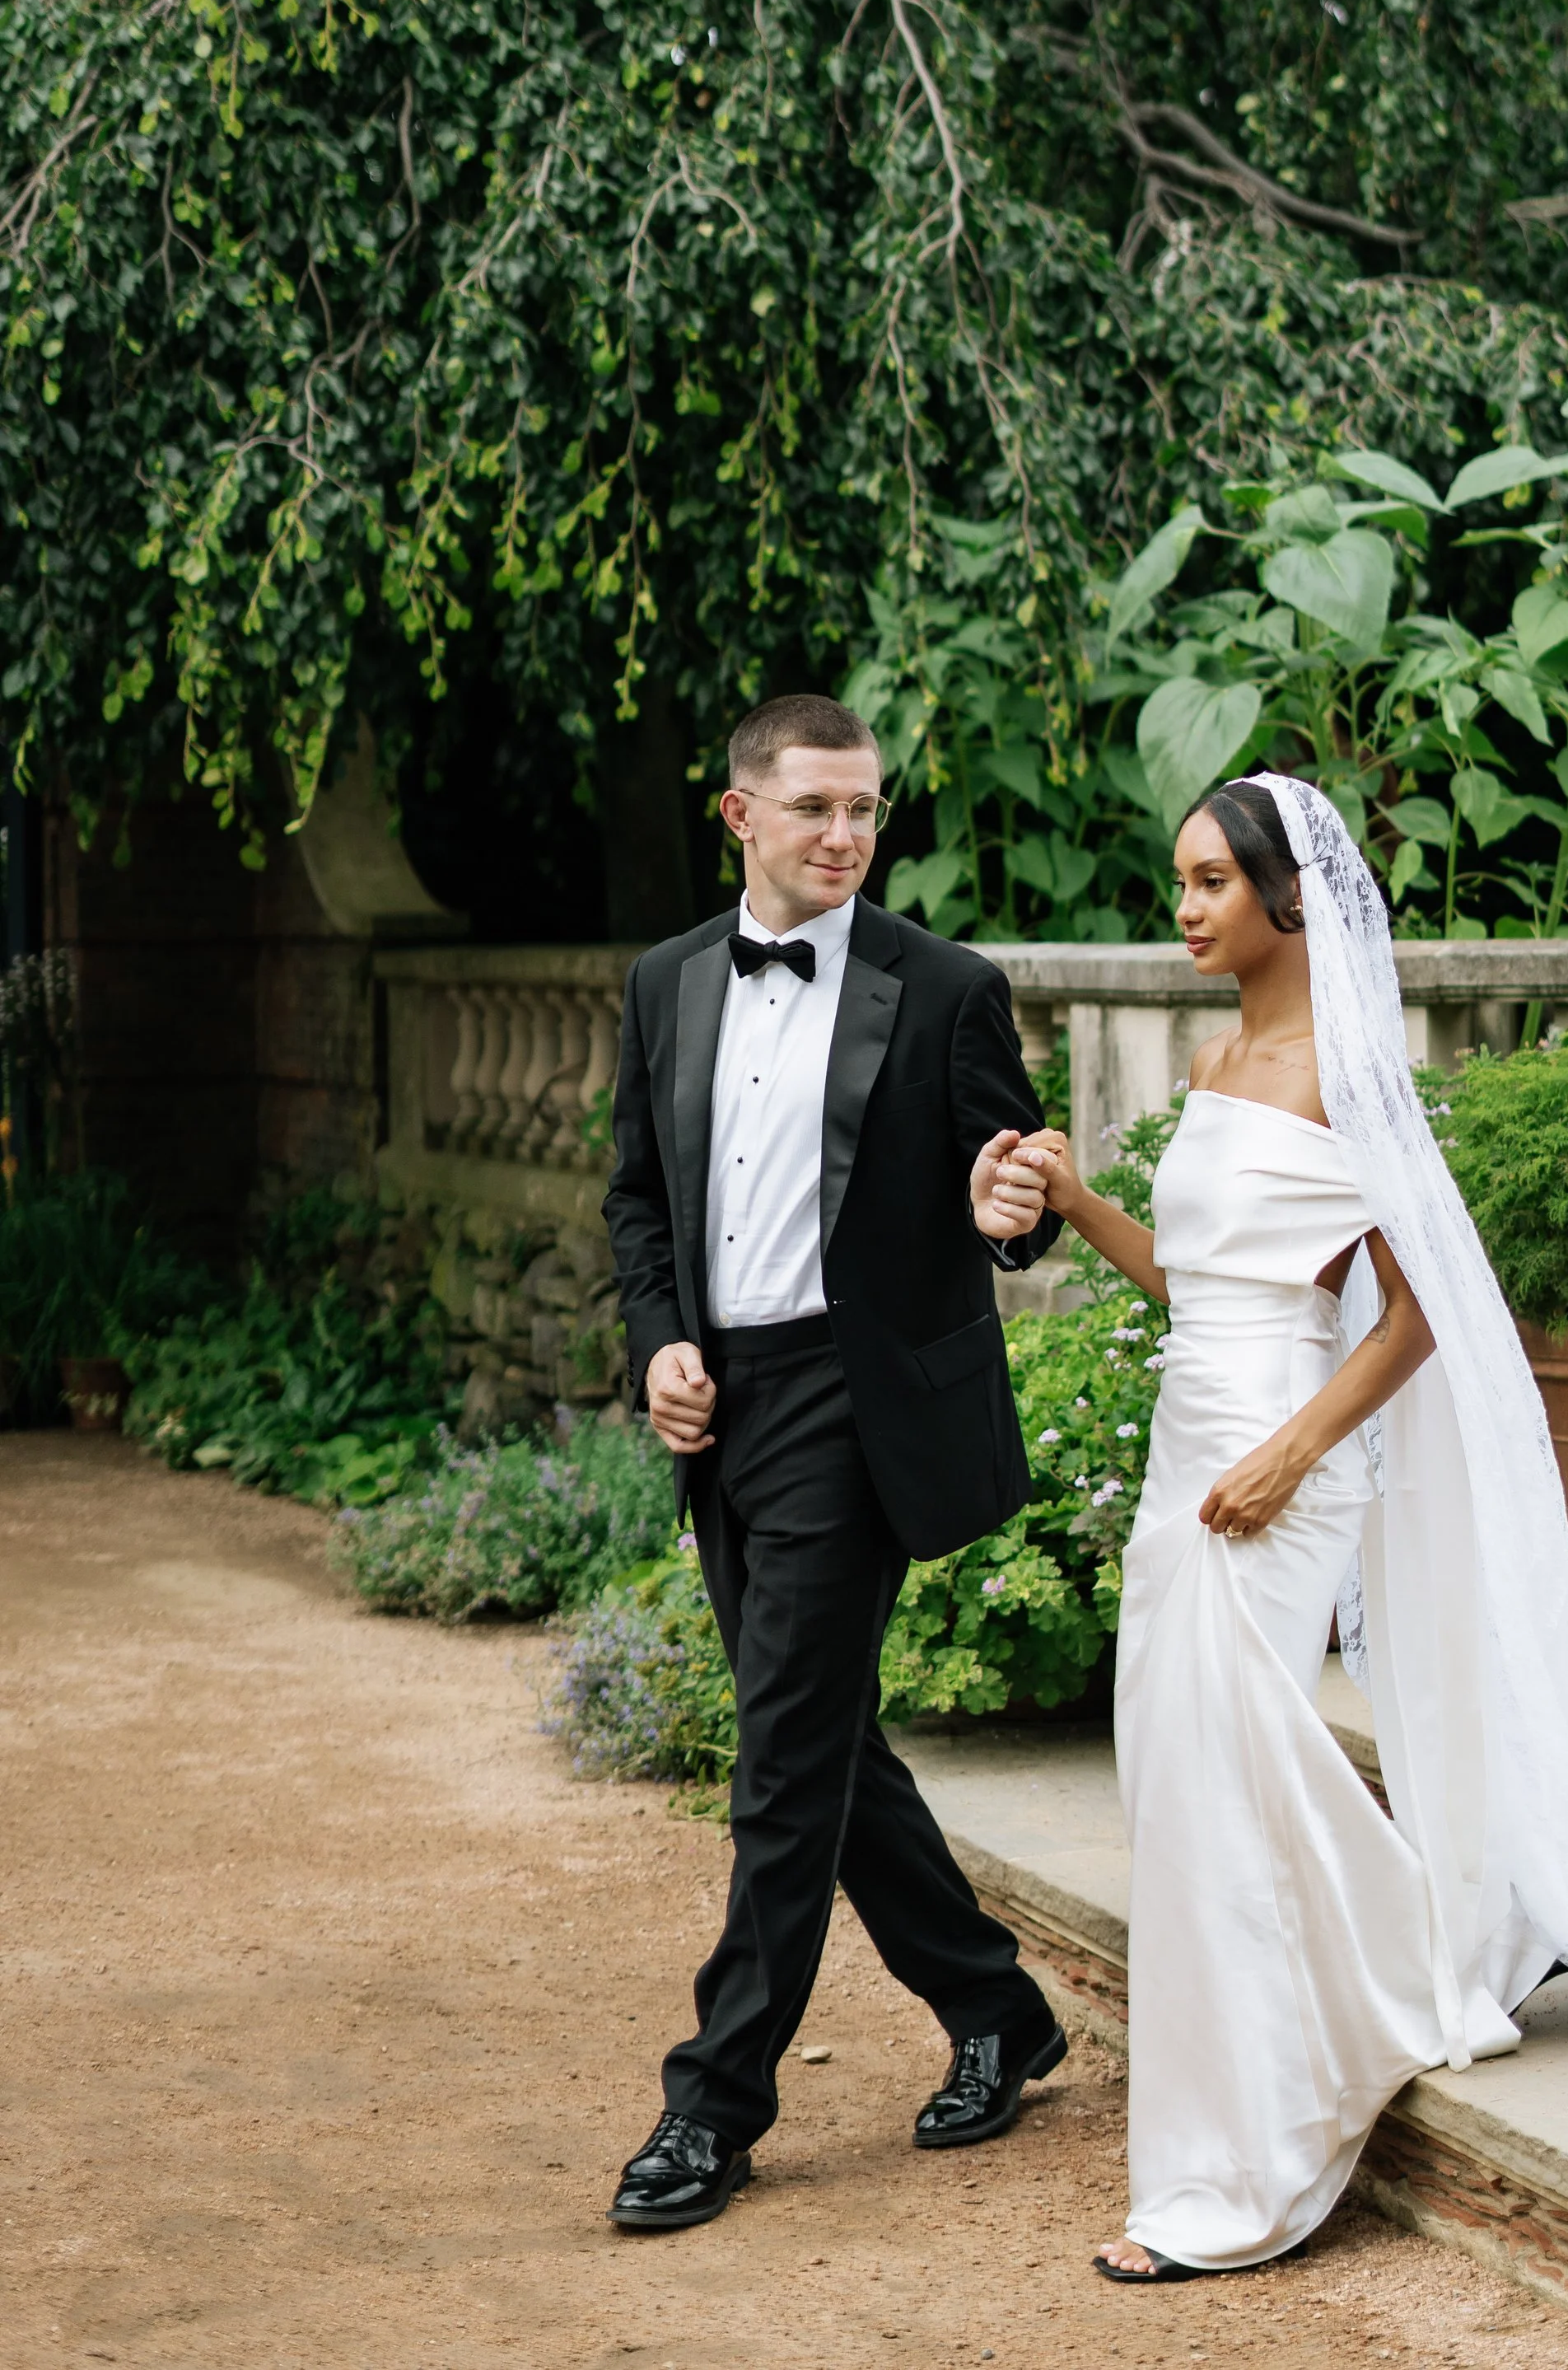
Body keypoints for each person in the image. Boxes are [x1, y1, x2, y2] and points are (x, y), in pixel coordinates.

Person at [1010, 774, 1568, 2284]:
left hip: (1287, 1465)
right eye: (1179, 883)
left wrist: (1291, 1452)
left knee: (1228, 1787)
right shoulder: (1213, 1058)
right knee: (1175, 1780)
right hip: (1183, 1459)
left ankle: (1251, 2164)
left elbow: (1423, 1319)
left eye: (1208, 882)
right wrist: (1076, 1199)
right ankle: (1363, 1996)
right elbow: (1192, 1291)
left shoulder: (1351, 1077)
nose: (1184, 907)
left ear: (1286, 897)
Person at [600, 691, 1068, 2232]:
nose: (849, 836)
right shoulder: (666, 982)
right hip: (721, 1407)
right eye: (816, 808)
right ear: (741, 814)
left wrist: (1018, 1209)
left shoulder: (945, 991)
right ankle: (999, 2010)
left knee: (783, 1770)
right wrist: (661, 1344)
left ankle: (713, 2106)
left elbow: (1017, 1188)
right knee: (827, 1748)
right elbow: (638, 1203)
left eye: (866, 809)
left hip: (855, 1413)